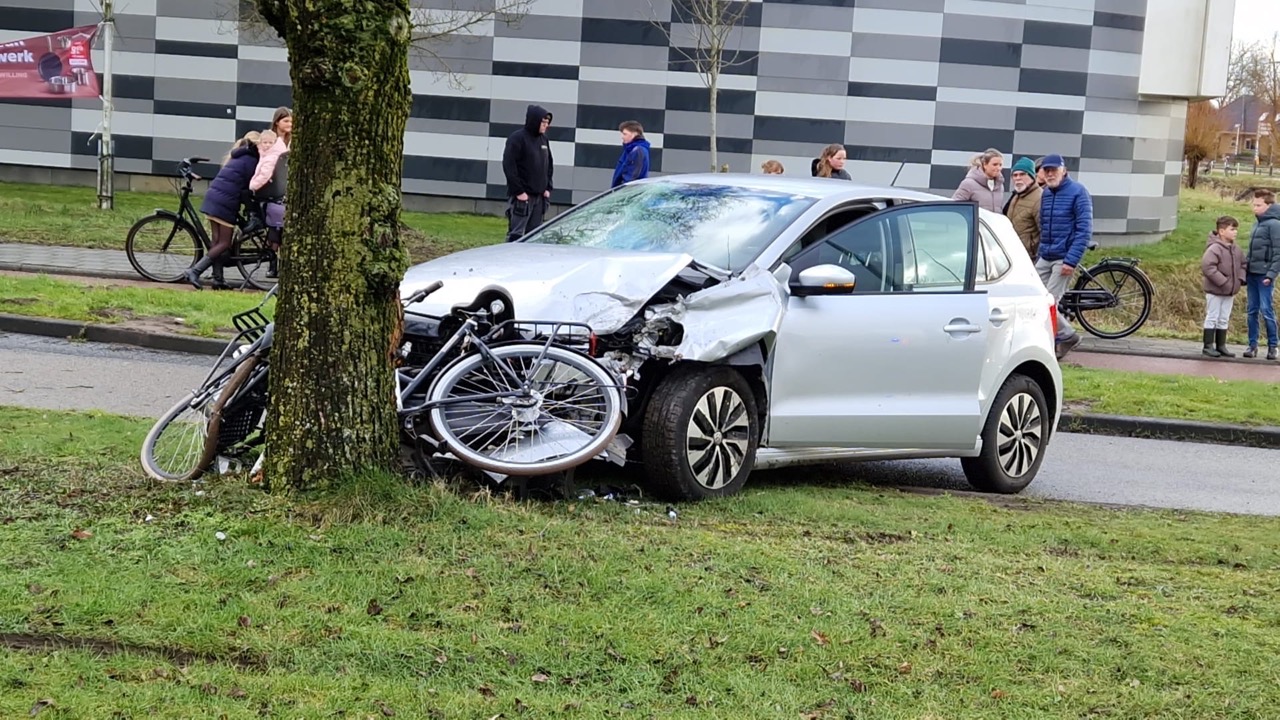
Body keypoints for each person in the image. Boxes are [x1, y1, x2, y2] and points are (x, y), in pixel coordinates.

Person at [182, 131, 262, 290]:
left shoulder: (237, 157)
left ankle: (218, 280)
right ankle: (194, 271)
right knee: (224, 243)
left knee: (216, 242)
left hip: (214, 197)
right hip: (226, 202)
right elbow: (247, 188)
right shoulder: (252, 161)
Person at [1036, 154, 1092, 358]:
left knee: (1047, 302)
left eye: (1053, 170)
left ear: (1063, 170)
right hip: (1046, 254)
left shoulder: (1078, 192)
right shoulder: (1046, 194)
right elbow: (1043, 226)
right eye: (1046, 170)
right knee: (1032, 297)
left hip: (1063, 257)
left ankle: (1062, 338)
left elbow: (1084, 230)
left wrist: (1071, 260)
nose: (1049, 174)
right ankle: (1065, 335)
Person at [250, 109, 293, 278]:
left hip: (282, 187)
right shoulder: (271, 140)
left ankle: (277, 263)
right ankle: (272, 263)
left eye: (291, 122)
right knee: (274, 228)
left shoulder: (290, 141)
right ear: (277, 123)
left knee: (279, 228)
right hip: (271, 187)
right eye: (286, 121)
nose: (289, 125)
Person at [502, 104, 554, 242]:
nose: (545, 125)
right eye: (543, 122)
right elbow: (509, 166)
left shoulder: (544, 140)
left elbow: (549, 164)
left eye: (547, 123)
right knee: (516, 235)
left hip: (540, 198)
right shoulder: (517, 138)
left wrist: (548, 187)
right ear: (534, 121)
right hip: (522, 198)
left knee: (534, 236)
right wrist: (519, 192)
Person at [1200, 215, 1246, 357]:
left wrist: (1240, 279)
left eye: (1235, 229)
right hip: (1215, 290)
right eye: (1232, 229)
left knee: (1224, 317)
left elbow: (1243, 264)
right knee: (1212, 316)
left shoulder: (1236, 249)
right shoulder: (1214, 249)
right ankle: (1208, 346)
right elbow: (1208, 267)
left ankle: (1221, 345)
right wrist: (1223, 282)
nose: (1235, 232)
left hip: (1230, 291)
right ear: (1221, 231)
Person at [1243, 189, 1280, 359]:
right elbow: (1252, 251)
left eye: (1258, 205)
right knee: (1251, 310)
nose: (1254, 207)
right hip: (1252, 274)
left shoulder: (1274, 225)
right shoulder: (1257, 223)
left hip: (1264, 275)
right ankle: (1252, 345)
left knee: (1267, 310)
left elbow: (1278, 252)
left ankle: (1273, 346)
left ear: (1269, 205)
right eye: (1254, 204)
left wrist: (1271, 274)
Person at [1003, 156, 1042, 259]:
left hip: (1029, 257)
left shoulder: (1039, 198)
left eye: (1022, 174)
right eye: (1015, 175)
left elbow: (1044, 232)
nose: (1018, 178)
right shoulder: (1016, 196)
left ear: (1032, 176)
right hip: (1012, 254)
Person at [952, 148, 1005, 213]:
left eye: (1000, 165)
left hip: (993, 223)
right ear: (985, 164)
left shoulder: (1000, 186)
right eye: (995, 164)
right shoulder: (968, 184)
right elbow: (955, 207)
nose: (998, 168)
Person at [611, 120, 650, 188]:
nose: (622, 137)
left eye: (625, 134)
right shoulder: (630, 150)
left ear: (635, 134)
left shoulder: (637, 151)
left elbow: (631, 178)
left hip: (626, 194)